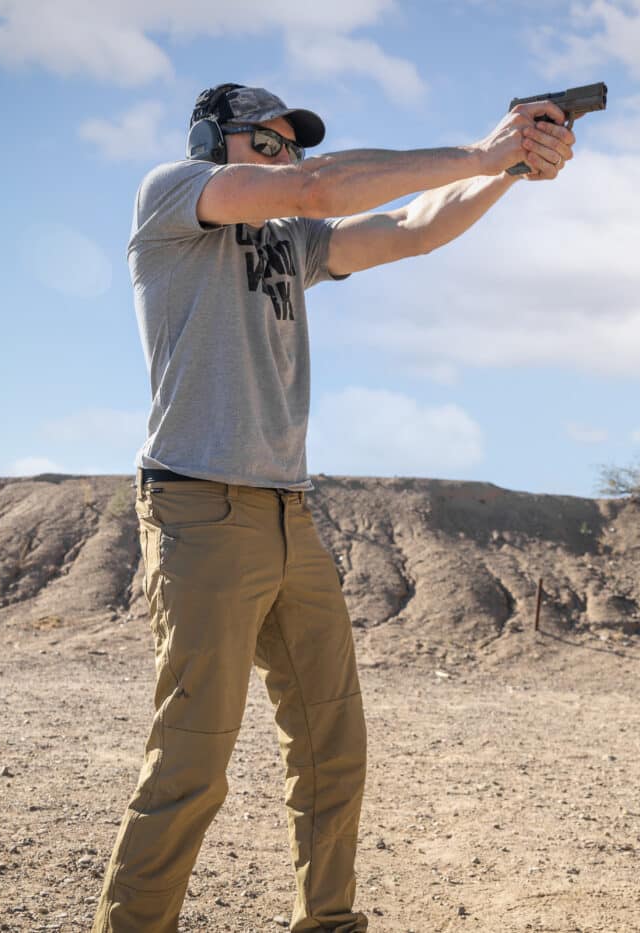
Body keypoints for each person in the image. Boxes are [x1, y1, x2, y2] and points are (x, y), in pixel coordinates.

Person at [93, 82, 576, 933]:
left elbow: (411, 229)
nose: (289, 161)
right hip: (199, 508)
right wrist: (483, 151)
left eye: (295, 146)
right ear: (215, 143)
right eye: (267, 145)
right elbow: (323, 188)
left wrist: (510, 171)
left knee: (331, 749)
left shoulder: (288, 241)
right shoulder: (171, 192)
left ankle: (327, 921)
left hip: (291, 514)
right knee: (192, 764)